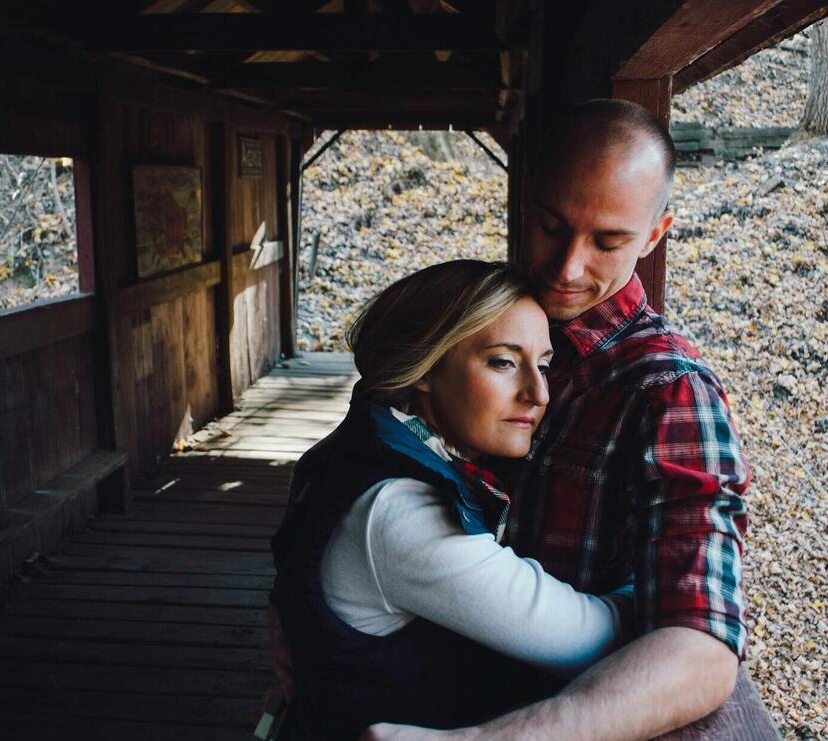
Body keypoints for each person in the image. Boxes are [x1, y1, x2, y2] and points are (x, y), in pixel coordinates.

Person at [364, 99, 774, 740]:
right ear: (527, 199)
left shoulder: (670, 392)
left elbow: (702, 652)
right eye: (552, 225)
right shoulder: (484, 313)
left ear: (655, 233)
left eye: (608, 241)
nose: (566, 266)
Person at [268, 260, 635, 740]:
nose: (539, 393)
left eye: (544, 364)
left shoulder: (365, 443)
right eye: (504, 362)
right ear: (427, 367)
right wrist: (666, 585)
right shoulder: (404, 515)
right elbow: (589, 641)